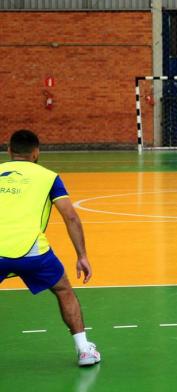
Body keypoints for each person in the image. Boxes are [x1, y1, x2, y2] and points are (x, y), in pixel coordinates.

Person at [0, 130, 101, 366]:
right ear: (36, 153)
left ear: (9, 151)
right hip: (33, 251)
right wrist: (82, 256)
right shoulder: (49, 177)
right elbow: (71, 217)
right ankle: (84, 350)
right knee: (64, 290)